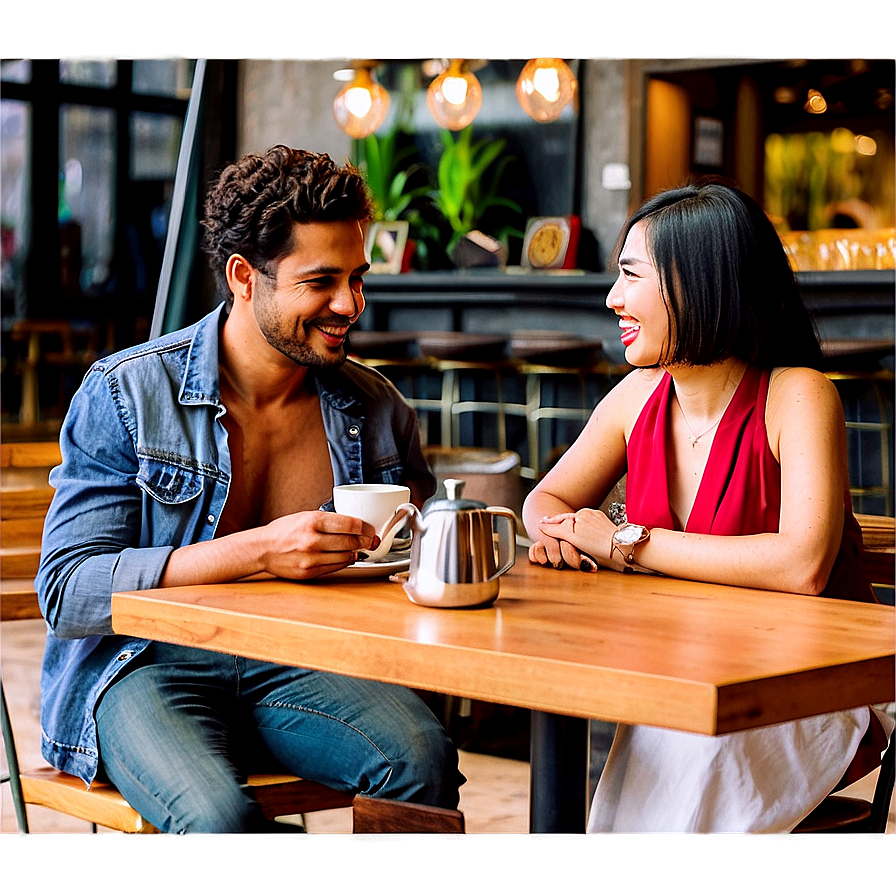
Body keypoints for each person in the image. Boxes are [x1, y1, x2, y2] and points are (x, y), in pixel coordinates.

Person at [35, 145, 463, 834]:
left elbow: (415, 566)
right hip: (144, 667)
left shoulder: (376, 407)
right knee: (217, 820)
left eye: (358, 278)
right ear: (243, 276)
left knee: (418, 758)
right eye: (321, 280)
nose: (349, 305)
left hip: (300, 666)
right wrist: (257, 551)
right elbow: (67, 591)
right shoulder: (128, 393)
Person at [522, 180, 892, 833]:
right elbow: (546, 498)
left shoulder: (795, 395)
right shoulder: (639, 396)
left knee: (671, 789)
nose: (612, 299)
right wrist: (552, 531)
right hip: (687, 677)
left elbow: (801, 565)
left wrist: (622, 542)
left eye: (631, 276)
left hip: (807, 687)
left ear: (700, 284)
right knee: (649, 790)